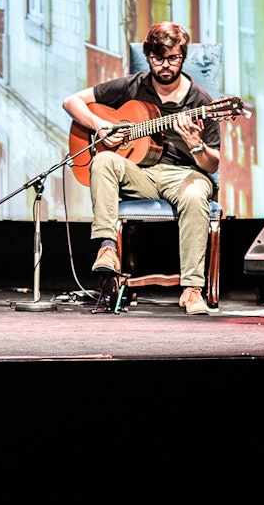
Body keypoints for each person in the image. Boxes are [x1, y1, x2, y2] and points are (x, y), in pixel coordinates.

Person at [62, 21, 220, 315]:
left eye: (173, 58)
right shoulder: (132, 86)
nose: (165, 66)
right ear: (148, 57)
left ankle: (192, 290)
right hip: (140, 173)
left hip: (183, 175)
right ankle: (108, 249)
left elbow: (213, 162)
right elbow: (72, 102)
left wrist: (196, 144)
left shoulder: (201, 102)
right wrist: (101, 126)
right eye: (158, 59)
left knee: (197, 194)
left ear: (182, 57)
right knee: (104, 159)